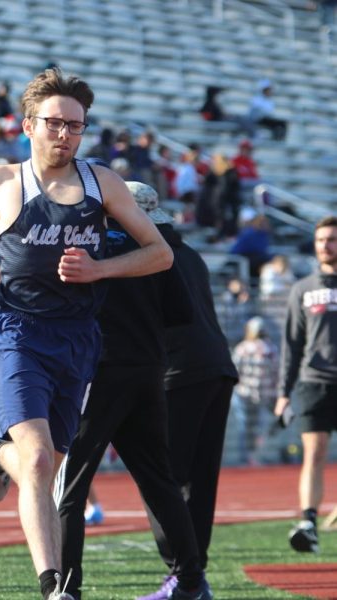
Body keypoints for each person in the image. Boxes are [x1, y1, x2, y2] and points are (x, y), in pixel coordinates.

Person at [0, 68, 173, 600]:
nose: (66, 135)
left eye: (76, 126)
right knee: (36, 460)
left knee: (45, 462)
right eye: (55, 123)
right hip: (16, 331)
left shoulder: (103, 184)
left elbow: (159, 253)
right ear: (29, 125)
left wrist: (99, 270)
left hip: (77, 337)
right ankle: (55, 586)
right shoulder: (2, 180)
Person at [53, 181, 207, 600]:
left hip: (97, 370)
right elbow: (181, 314)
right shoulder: (157, 250)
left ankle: (66, 587)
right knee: (158, 479)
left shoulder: (89, 241)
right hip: (148, 370)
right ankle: (192, 581)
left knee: (70, 483)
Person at [138, 202, 239, 599]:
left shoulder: (147, 254)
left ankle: (184, 574)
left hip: (179, 374)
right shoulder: (191, 254)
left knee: (159, 476)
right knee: (200, 479)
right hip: (217, 368)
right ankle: (196, 577)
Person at [276, 216, 337, 554]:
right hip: (314, 383)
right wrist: (284, 393)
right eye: (321, 240)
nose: (325, 246)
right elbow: (292, 344)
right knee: (314, 454)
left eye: (331, 240)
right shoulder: (302, 289)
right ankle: (309, 523)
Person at [232, 316, 280, 465]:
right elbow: (276, 373)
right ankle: (254, 457)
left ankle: (244, 459)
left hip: (243, 393)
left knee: (244, 428)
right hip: (261, 395)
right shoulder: (271, 348)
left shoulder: (242, 348)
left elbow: (234, 371)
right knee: (258, 428)